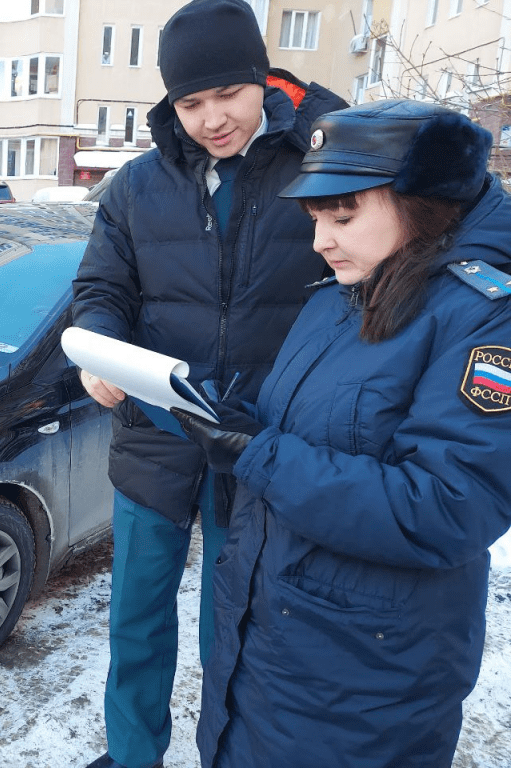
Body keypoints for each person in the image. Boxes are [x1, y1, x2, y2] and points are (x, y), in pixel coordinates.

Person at [172, 100, 511, 766]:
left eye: (343, 217)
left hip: (365, 680)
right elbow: (321, 425)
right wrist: (239, 418)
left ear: (423, 205)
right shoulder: (340, 294)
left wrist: (261, 454)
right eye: (316, 219)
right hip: (269, 642)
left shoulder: (483, 320)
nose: (320, 241)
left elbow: (448, 507)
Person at [69, 1, 346, 765]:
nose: (212, 118)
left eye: (228, 93)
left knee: (234, 626)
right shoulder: (136, 186)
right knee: (136, 620)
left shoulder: (323, 164)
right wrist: (99, 349)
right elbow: (101, 287)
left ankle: (227, 753)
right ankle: (133, 754)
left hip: (259, 442)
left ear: (262, 78)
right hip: (154, 438)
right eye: (191, 103)